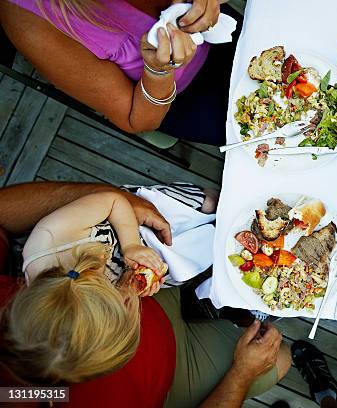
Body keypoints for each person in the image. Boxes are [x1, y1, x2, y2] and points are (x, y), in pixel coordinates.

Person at [0, 181, 291, 407]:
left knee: (218, 209)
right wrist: (240, 375)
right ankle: (223, 304)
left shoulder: (50, 247)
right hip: (176, 367)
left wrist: (129, 246)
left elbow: (110, 203)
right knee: (279, 351)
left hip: (142, 245)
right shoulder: (45, 374)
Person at [0, 0, 240, 145]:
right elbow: (136, 119)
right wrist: (158, 72)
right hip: (186, 100)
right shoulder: (30, 20)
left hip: (228, 27)